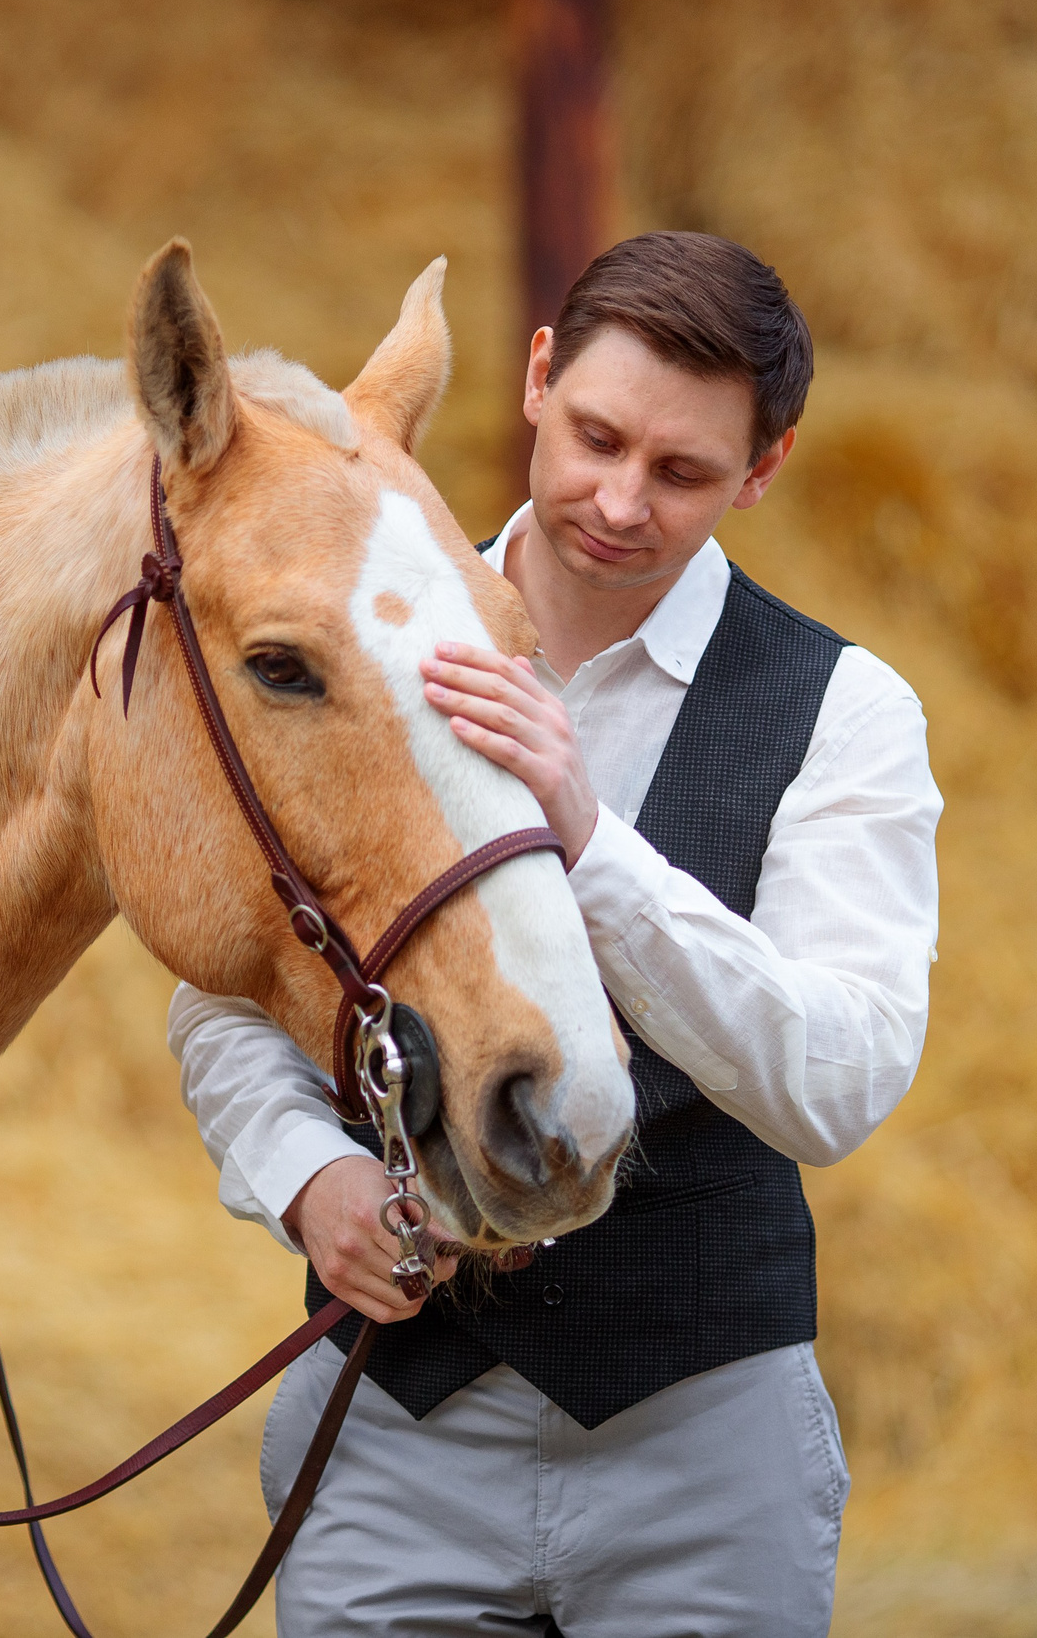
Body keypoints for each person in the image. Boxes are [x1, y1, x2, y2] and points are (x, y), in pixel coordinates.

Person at [172, 231, 942, 1636]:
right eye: (596, 437)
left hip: (705, 1450)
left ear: (765, 469)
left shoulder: (848, 713)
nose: (619, 500)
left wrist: (591, 842)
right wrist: (308, 1180)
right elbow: (228, 989)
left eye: (685, 472)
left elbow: (840, 1080)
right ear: (537, 379)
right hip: (397, 1425)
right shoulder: (346, 641)